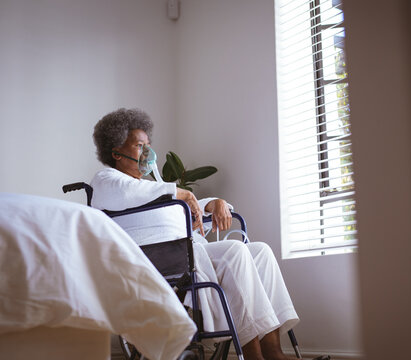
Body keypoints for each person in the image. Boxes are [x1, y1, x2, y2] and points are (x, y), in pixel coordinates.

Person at [90, 108, 299, 360]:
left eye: (148, 145)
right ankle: (254, 354)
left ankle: (274, 350)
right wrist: (182, 193)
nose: (148, 153)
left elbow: (177, 206)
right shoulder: (107, 180)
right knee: (234, 250)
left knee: (261, 252)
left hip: (187, 250)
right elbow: (139, 193)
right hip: (158, 257)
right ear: (116, 153)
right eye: (139, 145)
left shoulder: (151, 187)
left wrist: (213, 203)